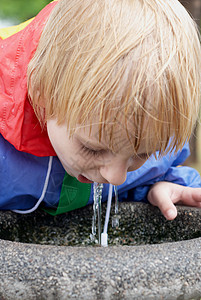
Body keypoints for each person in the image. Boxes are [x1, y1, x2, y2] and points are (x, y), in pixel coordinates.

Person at [0, 0, 201, 221]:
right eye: (93, 149)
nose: (116, 177)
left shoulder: (148, 125)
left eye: (141, 154)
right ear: (42, 94)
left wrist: (161, 187)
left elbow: (158, 171)